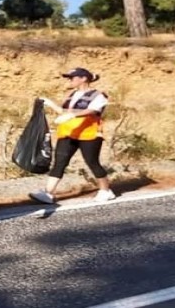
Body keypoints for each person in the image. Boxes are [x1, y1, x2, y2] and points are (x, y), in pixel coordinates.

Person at [28, 68, 117, 206]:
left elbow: (93, 110)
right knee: (60, 162)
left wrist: (73, 115)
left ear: (83, 79)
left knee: (92, 162)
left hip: (89, 134)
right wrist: (50, 104)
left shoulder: (98, 95)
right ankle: (48, 193)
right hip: (68, 133)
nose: (70, 80)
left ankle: (106, 190)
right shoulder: (71, 95)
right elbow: (64, 112)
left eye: (72, 77)